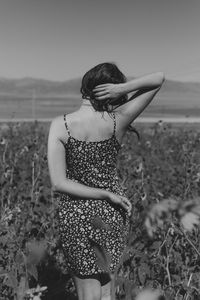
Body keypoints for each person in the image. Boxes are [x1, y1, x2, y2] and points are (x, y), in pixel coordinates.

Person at [47, 62, 165, 300]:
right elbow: (159, 78)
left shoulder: (61, 125)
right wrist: (123, 89)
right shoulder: (117, 120)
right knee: (107, 293)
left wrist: (102, 193)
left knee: (88, 295)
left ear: (85, 86)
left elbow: (59, 183)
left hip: (77, 213)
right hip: (112, 212)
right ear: (111, 90)